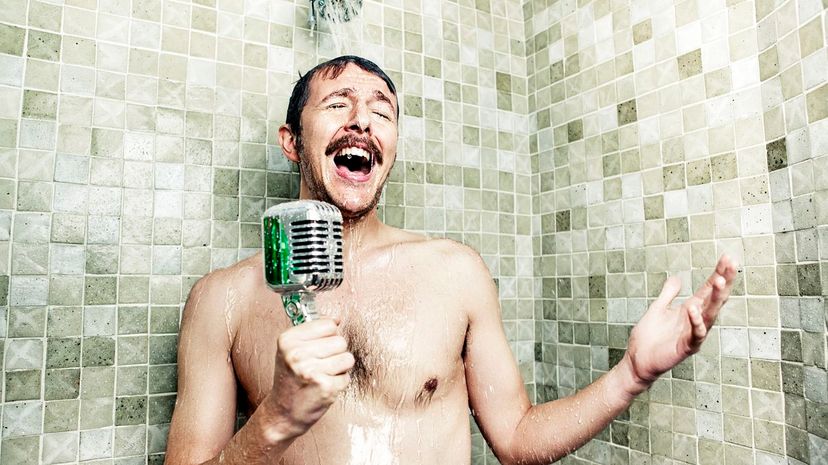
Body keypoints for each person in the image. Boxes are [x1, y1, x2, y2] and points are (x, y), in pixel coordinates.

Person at [164, 55, 738, 465]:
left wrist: (631, 375)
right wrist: (273, 421)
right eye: (338, 103)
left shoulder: (455, 272)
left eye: (382, 112)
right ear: (292, 141)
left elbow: (515, 438)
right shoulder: (224, 300)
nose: (362, 120)